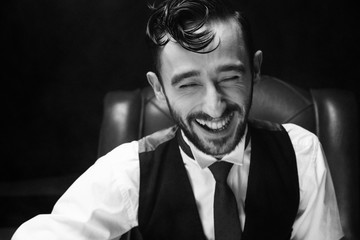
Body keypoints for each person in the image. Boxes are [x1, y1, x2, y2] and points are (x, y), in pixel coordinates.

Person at [12, 0, 344, 239]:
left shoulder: (302, 153)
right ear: (159, 89)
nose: (215, 107)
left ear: (255, 70)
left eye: (229, 77)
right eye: (188, 84)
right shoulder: (129, 172)